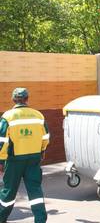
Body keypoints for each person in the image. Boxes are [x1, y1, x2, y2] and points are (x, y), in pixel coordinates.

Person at [0, 88, 49, 223]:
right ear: (27, 99)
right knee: (35, 191)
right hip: (34, 158)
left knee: (9, 191)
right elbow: (46, 137)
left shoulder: (7, 116)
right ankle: (40, 220)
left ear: (13, 99)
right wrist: (42, 150)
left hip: (14, 160)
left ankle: (1, 217)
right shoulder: (38, 116)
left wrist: (1, 160)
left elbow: (2, 141)